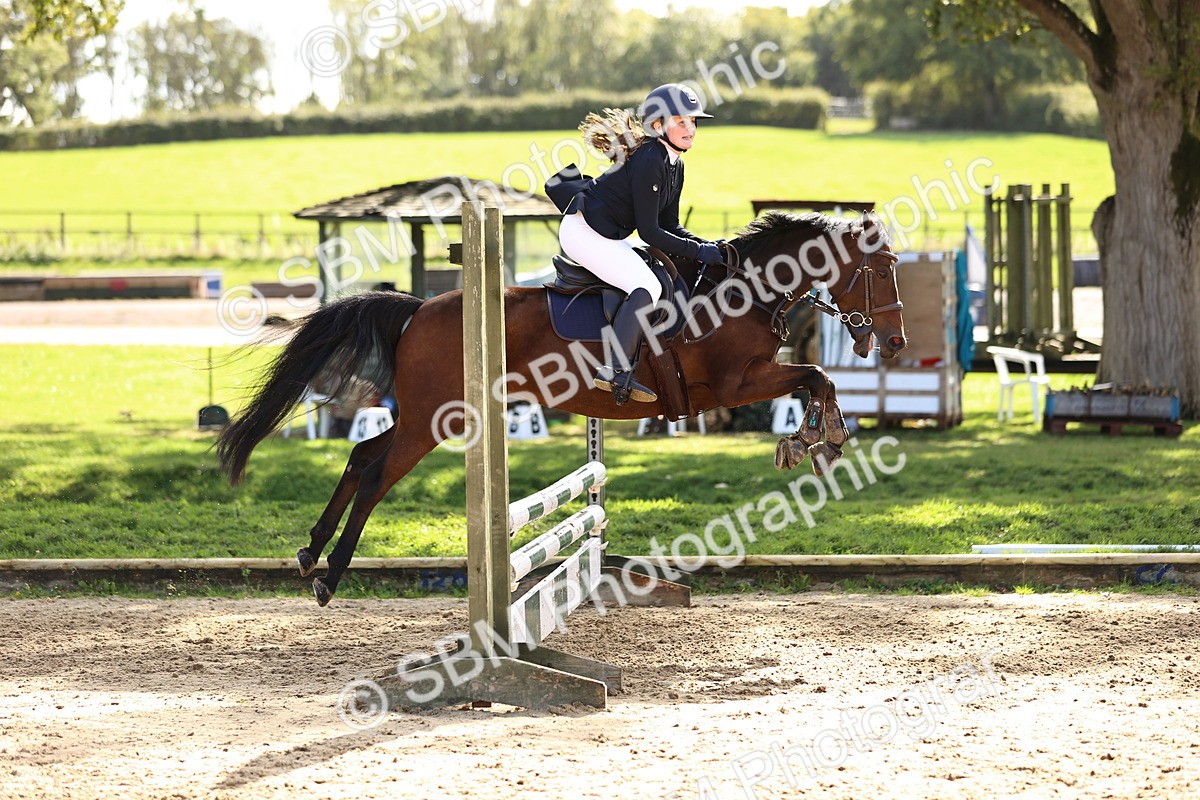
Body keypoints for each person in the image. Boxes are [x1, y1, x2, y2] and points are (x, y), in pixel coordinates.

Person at [545, 83, 726, 405]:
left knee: (659, 277)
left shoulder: (675, 164)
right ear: (658, 125)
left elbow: (670, 226)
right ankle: (614, 369)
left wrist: (708, 245)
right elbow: (650, 233)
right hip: (583, 232)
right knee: (647, 285)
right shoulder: (649, 158)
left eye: (693, 122)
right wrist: (699, 252)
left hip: (606, 234)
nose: (690, 129)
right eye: (681, 121)